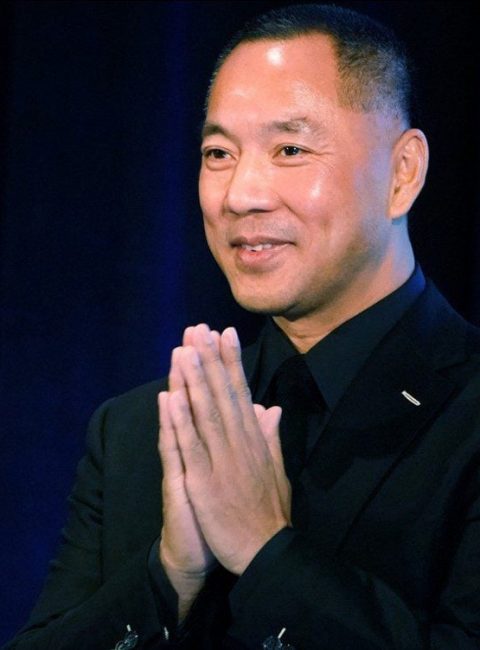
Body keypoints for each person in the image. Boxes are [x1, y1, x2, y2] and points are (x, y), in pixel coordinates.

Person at [4, 3, 480, 649]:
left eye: (290, 149)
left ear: (403, 173)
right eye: (218, 153)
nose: (240, 195)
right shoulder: (136, 431)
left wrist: (265, 552)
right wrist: (169, 575)